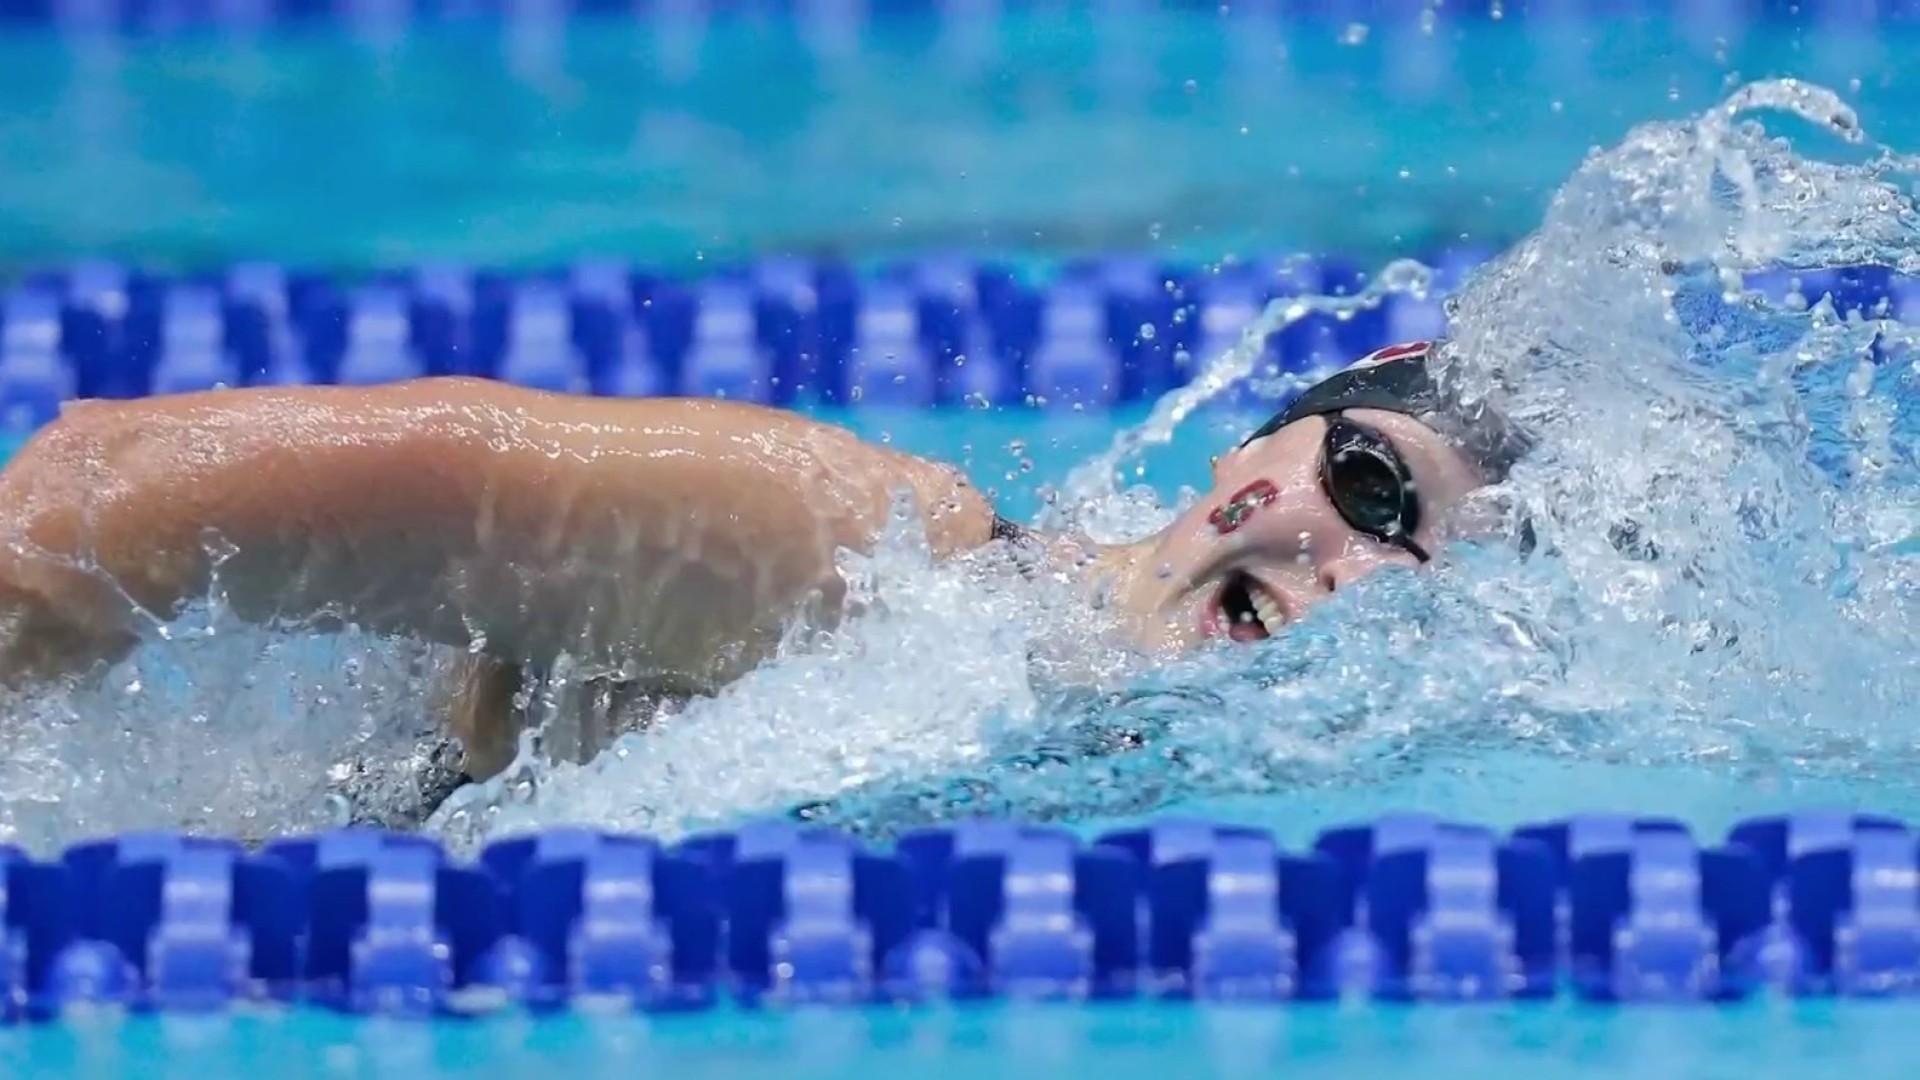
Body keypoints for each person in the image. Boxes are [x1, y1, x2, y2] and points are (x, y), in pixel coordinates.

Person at [0, 337, 1527, 804]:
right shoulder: (857, 557)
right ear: (1247, 454)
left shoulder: (1120, 760)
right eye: (1370, 482)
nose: (1355, 576)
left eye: (1424, 578)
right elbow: (100, 499)